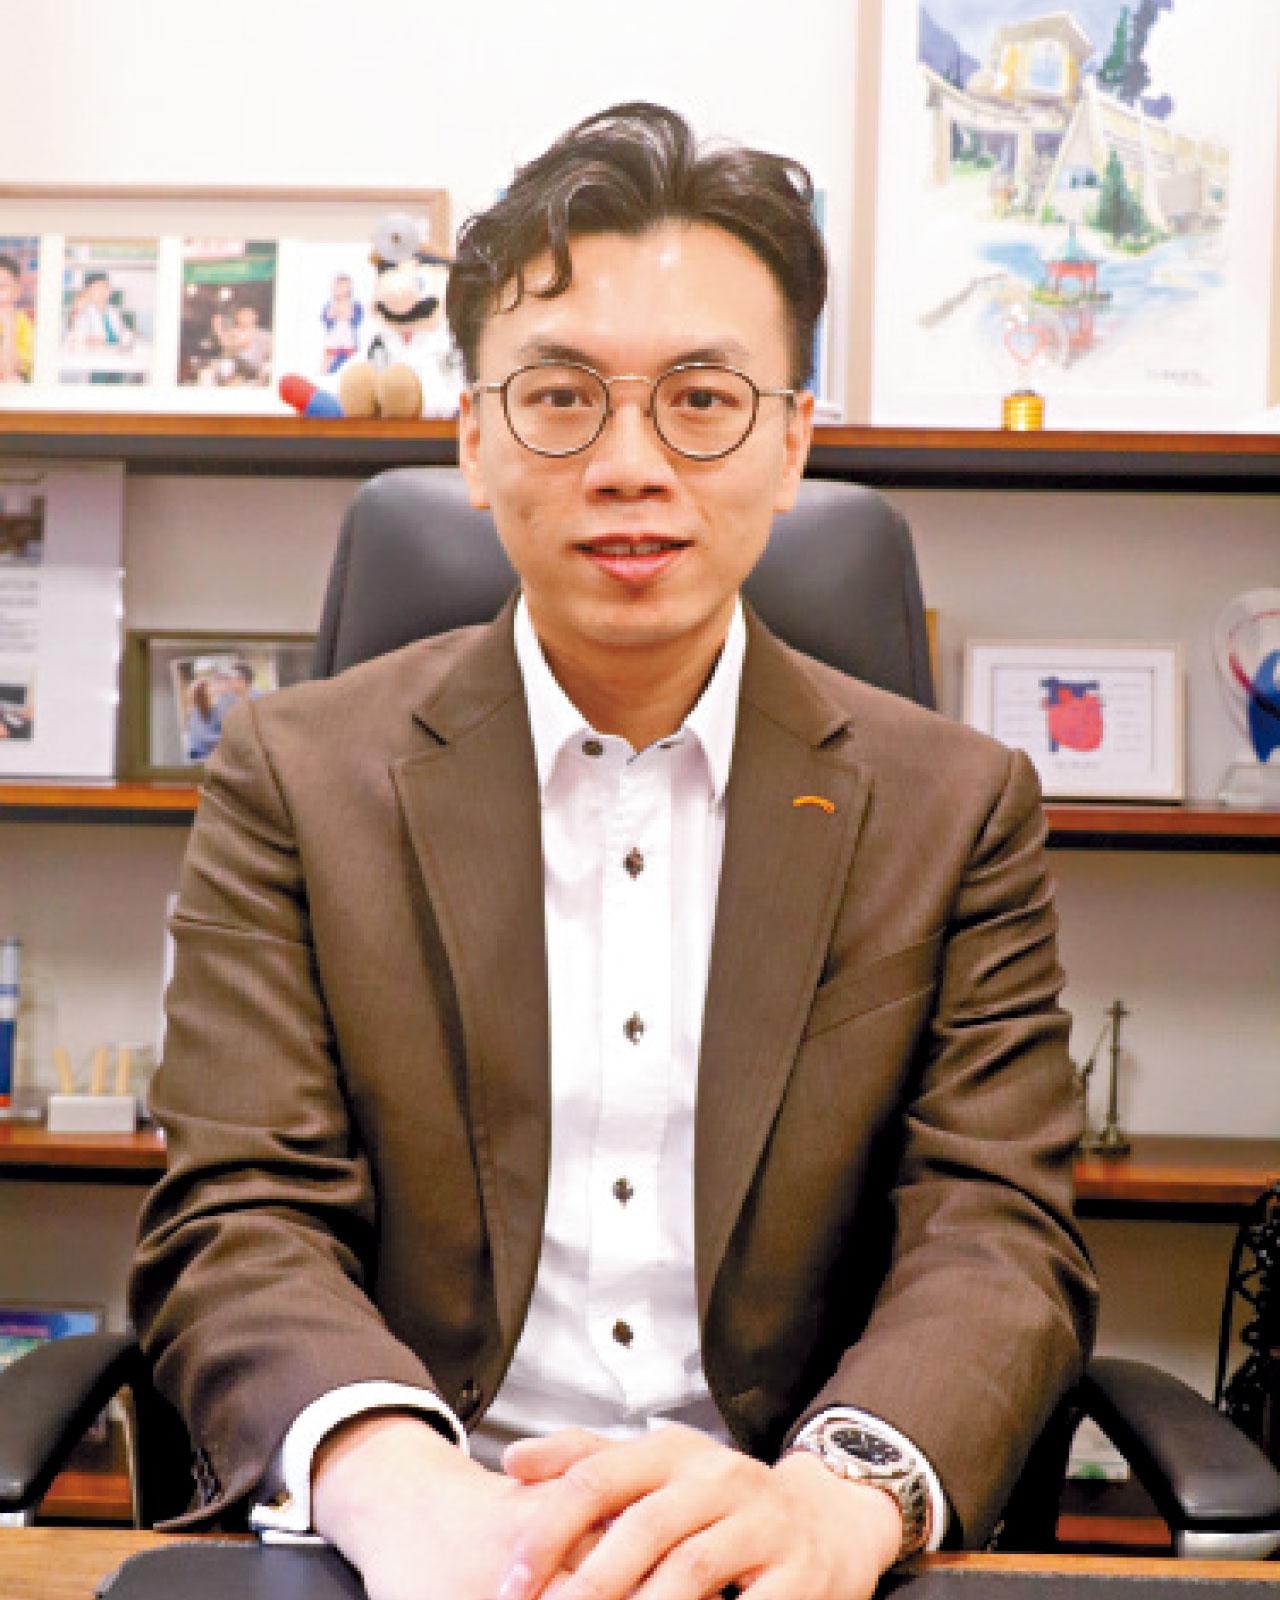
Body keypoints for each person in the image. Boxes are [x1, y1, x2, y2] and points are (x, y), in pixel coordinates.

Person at [130, 102, 1096, 1600]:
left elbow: (995, 1231)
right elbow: (237, 1215)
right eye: (560, 396)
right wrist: (405, 1492)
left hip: (783, 1537)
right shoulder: (292, 777)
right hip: (413, 1538)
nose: (631, 462)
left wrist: (836, 1501)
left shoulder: (955, 806)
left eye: (701, 398)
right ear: (471, 438)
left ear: (791, 441)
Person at [0, 253, 35, 383]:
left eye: (1, 287)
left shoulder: (21, 322)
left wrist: (9, 326)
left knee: (13, 381)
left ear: (16, 291)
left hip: (12, 384)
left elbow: (9, 371)